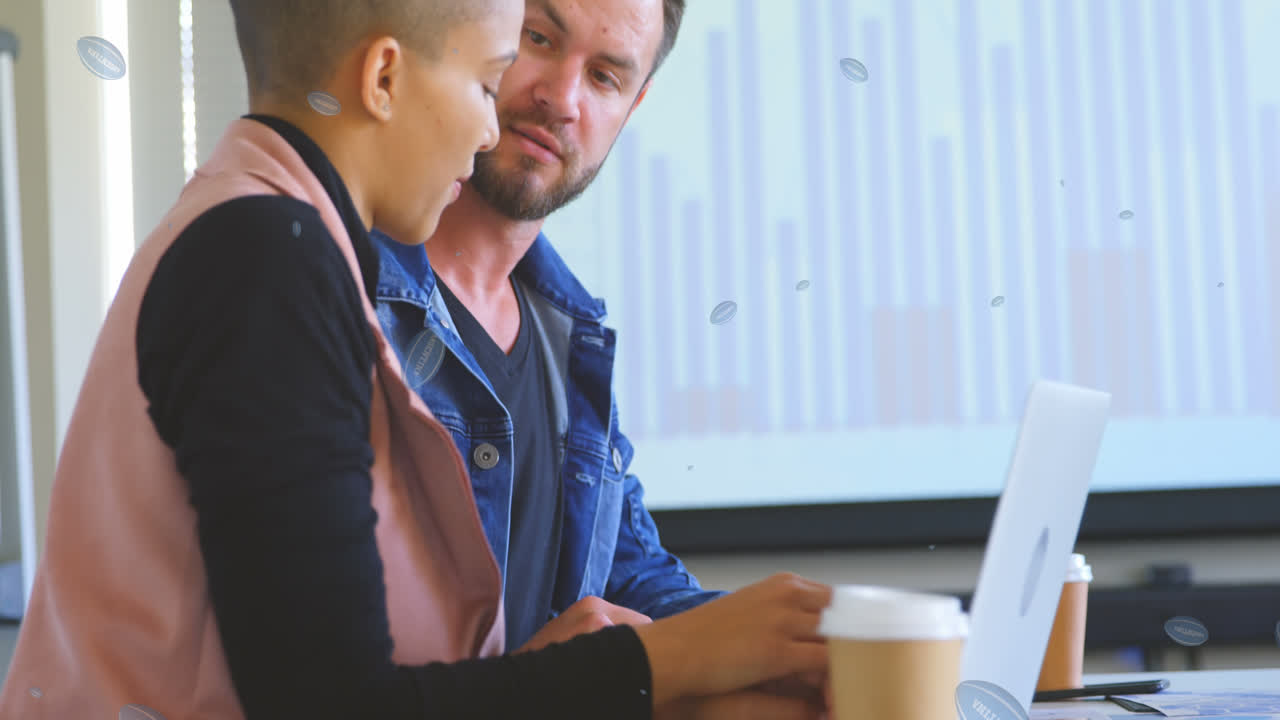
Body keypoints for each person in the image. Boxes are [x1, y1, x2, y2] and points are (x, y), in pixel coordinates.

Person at [0, 1, 832, 719]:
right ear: (385, 77)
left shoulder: (552, 329)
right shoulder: (273, 264)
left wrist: (787, 658)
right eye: (503, 65)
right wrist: (650, 669)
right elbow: (337, 703)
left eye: (608, 76)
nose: (501, 117)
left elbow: (627, 590)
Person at [371, 0, 720, 655]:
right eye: (538, 38)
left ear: (632, 108)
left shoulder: (572, 338)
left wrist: (803, 641)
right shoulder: (337, 293)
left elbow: (636, 580)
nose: (562, 99)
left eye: (604, 79)